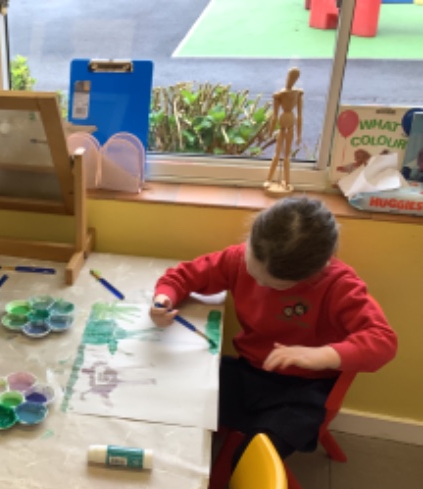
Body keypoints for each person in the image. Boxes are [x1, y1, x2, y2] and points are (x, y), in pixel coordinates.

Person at [150, 196, 397, 467]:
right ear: (251, 242)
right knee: (176, 397)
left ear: (316, 272)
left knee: (250, 460)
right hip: (250, 372)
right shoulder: (240, 257)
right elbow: (184, 275)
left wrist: (320, 355)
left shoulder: (338, 285)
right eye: (253, 273)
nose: (258, 283)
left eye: (274, 285)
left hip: (305, 391)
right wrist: (164, 299)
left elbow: (383, 342)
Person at [264, 67, 303, 196]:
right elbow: (274, 116)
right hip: (283, 123)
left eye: (294, 78)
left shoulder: (298, 94)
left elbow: (300, 115)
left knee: (286, 155)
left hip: (290, 122)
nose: (291, 80)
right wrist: (270, 131)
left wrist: (299, 134)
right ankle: (269, 179)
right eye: (291, 77)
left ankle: (286, 181)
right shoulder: (279, 95)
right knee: (277, 153)